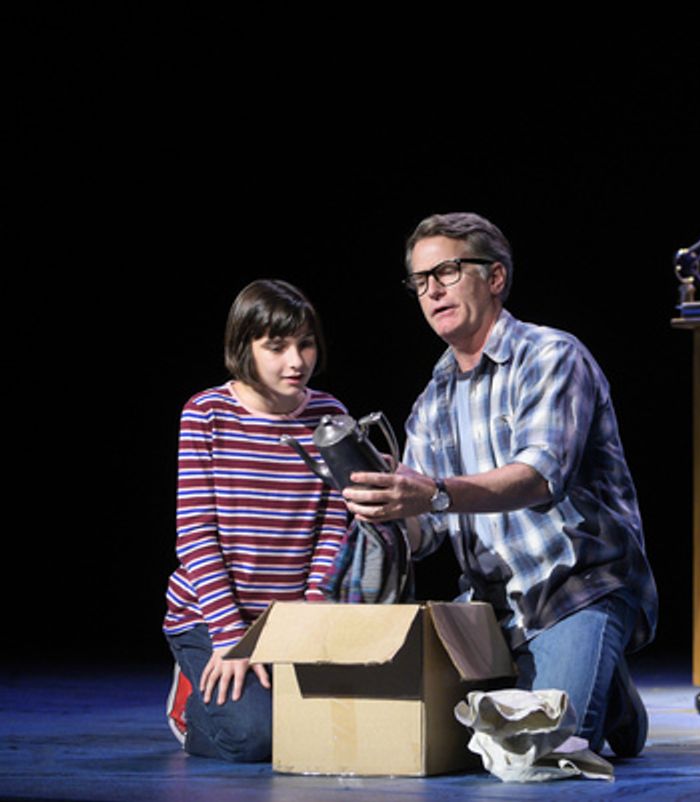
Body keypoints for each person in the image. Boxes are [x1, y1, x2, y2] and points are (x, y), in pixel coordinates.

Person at [343, 212, 658, 757]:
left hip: (575, 585)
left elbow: (538, 476)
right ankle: (609, 697)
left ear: (495, 278)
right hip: (492, 607)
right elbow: (429, 531)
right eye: (420, 281)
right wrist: (388, 510)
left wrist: (434, 491)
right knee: (447, 743)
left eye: (446, 271)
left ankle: (594, 677)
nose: (431, 290)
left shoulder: (551, 356)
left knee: (536, 752)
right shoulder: (431, 401)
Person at [163, 279, 349, 761]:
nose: (296, 361)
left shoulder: (329, 415)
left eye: (305, 344)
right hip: (212, 619)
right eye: (277, 347)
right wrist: (228, 638)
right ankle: (189, 701)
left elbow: (333, 529)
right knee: (256, 738)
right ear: (244, 347)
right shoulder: (207, 414)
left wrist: (305, 624)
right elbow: (197, 536)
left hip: (288, 620)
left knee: (330, 727)